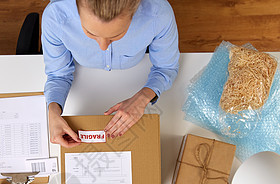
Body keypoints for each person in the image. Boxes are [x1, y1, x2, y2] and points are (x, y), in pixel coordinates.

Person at [42, 0, 180, 148]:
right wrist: (53, 111)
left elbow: (166, 67)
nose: (102, 47)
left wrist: (143, 98)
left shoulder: (158, 14)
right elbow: (58, 74)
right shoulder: (56, 16)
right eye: (90, 33)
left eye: (116, 35)